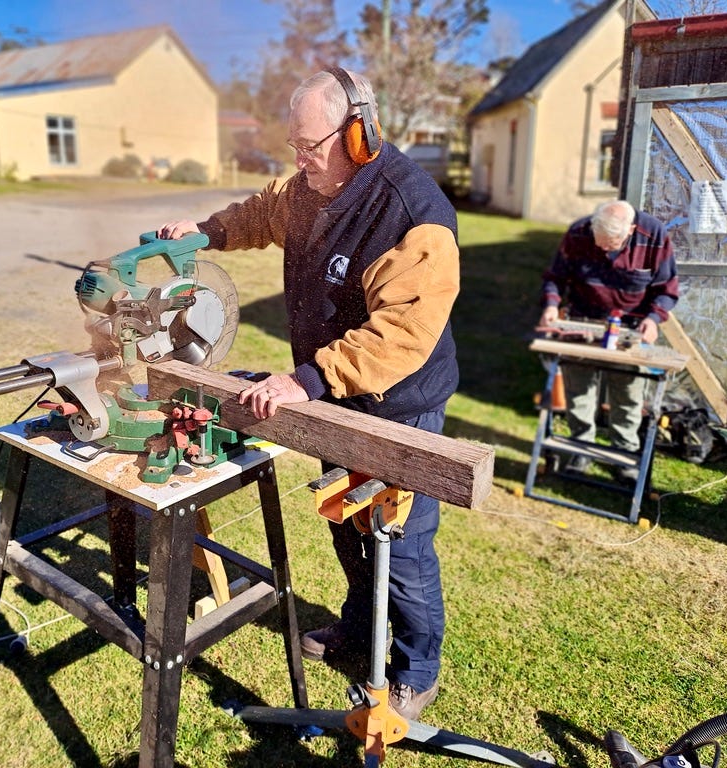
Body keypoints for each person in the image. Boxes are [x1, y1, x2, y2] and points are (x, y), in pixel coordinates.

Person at [158, 67, 460, 722]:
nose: (300, 162)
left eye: (310, 147)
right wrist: (207, 231)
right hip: (330, 394)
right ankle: (359, 627)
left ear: (358, 133)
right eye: (293, 148)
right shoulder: (311, 188)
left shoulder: (412, 214)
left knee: (400, 545)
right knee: (347, 524)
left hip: (397, 403)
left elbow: (400, 335)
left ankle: (416, 666)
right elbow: (265, 212)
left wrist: (303, 381)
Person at [538, 199, 679, 481]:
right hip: (582, 322)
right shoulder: (578, 233)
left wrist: (653, 320)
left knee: (627, 395)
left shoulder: (654, 236)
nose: (603, 250)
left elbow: (667, 289)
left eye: (610, 245)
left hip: (630, 328)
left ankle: (625, 456)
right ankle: (581, 449)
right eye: (599, 243)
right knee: (578, 392)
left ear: (630, 230)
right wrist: (552, 305)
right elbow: (555, 277)